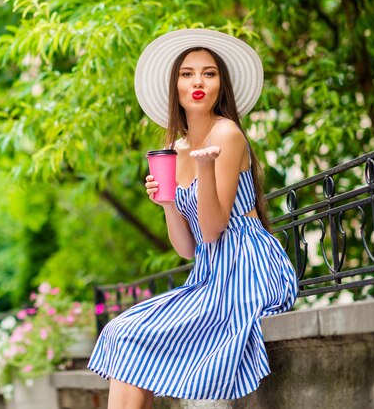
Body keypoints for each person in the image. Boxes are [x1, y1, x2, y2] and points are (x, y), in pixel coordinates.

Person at [87, 29, 299, 408]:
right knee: (121, 330)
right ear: (176, 85)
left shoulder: (227, 133)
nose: (198, 82)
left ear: (221, 86)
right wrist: (168, 204)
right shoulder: (173, 148)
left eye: (209, 73)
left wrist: (205, 170)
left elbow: (215, 229)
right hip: (209, 272)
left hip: (248, 268)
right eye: (187, 73)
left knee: (137, 334)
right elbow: (188, 248)